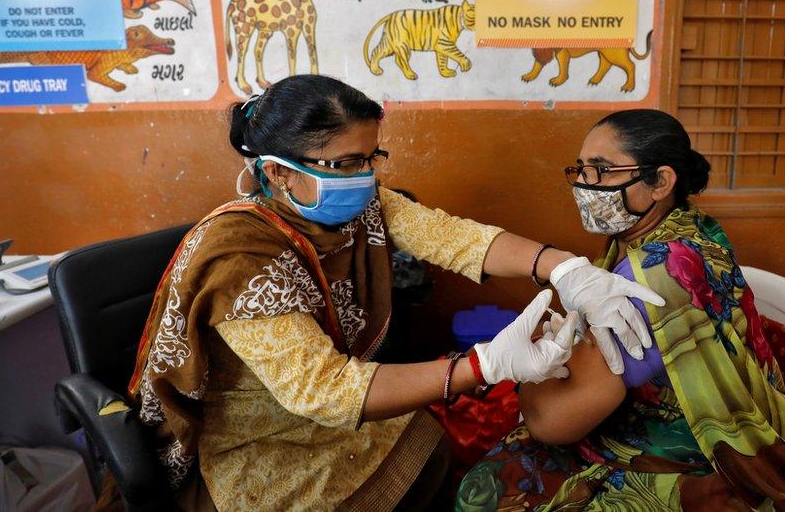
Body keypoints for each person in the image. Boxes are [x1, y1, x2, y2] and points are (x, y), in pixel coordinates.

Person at [124, 75, 665, 510]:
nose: (364, 177)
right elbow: (325, 391)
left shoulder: (360, 207)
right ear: (278, 174)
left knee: (427, 445)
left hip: (329, 413)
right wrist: (486, 365)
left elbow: (454, 237)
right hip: (258, 437)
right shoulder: (241, 257)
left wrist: (565, 268)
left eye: (370, 158)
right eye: (344, 164)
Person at [457, 110, 785, 510]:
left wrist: (526, 374)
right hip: (723, 414)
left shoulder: (653, 276)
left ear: (661, 182)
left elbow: (552, 423)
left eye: (602, 171)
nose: (584, 185)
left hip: (694, 453)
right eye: (581, 169)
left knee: (485, 491)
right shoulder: (692, 231)